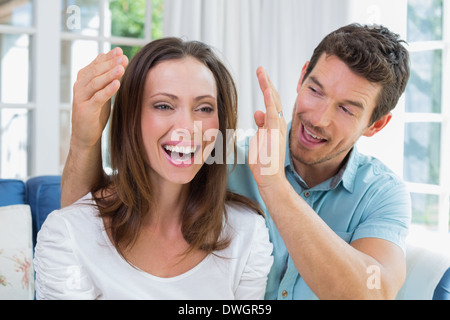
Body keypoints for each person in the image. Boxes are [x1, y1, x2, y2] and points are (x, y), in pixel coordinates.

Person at [59, 23, 412, 300]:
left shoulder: (382, 193)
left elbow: (372, 291)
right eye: (315, 90)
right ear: (302, 76)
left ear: (376, 124)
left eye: (347, 108)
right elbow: (91, 219)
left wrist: (274, 185)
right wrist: (84, 138)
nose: (318, 117)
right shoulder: (222, 151)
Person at [34, 38, 273, 300]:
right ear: (130, 119)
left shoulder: (247, 233)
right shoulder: (67, 234)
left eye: (204, 108)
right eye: (163, 105)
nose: (187, 126)